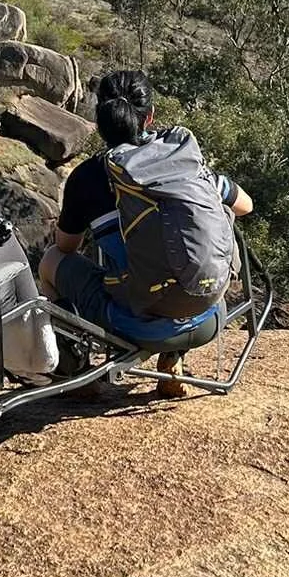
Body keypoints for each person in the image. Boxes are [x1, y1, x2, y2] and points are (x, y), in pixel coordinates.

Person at [39, 69, 252, 398]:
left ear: (100, 121)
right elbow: (245, 206)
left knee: (50, 261)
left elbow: (66, 246)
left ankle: (77, 371)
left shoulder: (87, 177)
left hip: (133, 327)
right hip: (207, 318)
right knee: (195, 247)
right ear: (149, 116)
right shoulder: (185, 163)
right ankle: (174, 358)